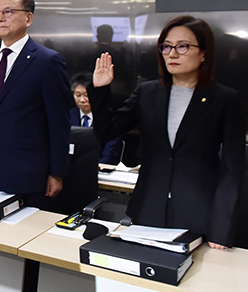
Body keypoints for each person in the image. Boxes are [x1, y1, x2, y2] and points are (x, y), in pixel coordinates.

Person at [90, 15, 244, 248]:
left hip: (199, 213)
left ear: (204, 54)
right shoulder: (147, 92)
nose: (172, 54)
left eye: (183, 47)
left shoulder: (225, 99)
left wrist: (220, 231)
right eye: (166, 46)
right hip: (148, 208)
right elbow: (107, 131)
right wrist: (101, 91)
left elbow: (232, 172)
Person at [0, 0, 70, 208]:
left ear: (29, 17)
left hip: (26, 172)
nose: (0, 18)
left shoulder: (47, 61)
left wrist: (57, 172)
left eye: (8, 11)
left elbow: (59, 122)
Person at [69, 72, 122, 165]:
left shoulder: (108, 117)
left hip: (99, 169)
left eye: (86, 95)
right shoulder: (67, 117)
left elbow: (111, 152)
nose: (82, 100)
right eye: (78, 95)